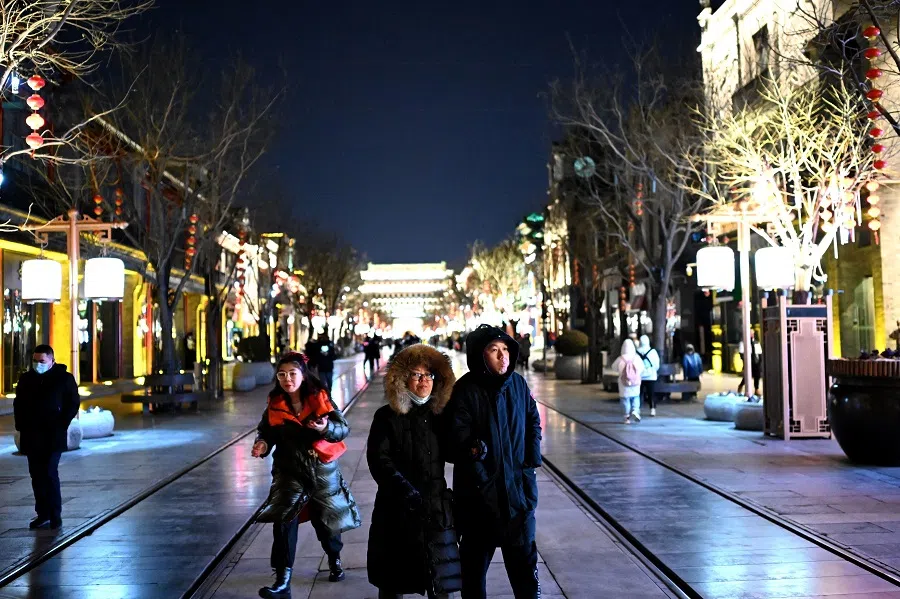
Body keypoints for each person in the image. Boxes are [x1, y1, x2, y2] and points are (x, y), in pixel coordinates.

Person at [251, 352, 361, 599]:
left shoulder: (319, 398)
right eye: (282, 374)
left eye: (292, 373)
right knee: (283, 524)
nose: (287, 379)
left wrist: (325, 428)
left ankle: (334, 559)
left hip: (321, 471)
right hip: (289, 472)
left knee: (327, 524)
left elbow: (342, 428)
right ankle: (282, 580)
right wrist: (263, 444)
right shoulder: (275, 403)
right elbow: (266, 431)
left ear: (303, 374)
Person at [447, 324, 542, 599]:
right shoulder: (464, 390)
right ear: (480, 355)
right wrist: (476, 458)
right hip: (478, 500)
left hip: (517, 496)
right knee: (473, 576)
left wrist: (530, 460)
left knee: (525, 573)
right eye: (494, 350)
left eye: (505, 350)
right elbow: (456, 441)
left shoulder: (519, 385)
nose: (503, 357)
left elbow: (533, 421)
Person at [367, 344, 461, 599]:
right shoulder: (386, 417)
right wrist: (404, 490)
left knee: (441, 582)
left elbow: (454, 451)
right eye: (417, 374)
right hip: (396, 510)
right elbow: (379, 459)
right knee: (393, 581)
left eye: (429, 375)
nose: (424, 381)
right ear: (402, 379)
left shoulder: (440, 415)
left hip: (435, 509)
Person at [13, 344, 79, 530]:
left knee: (49, 473)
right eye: (34, 361)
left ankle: (55, 514)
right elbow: (18, 404)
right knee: (36, 475)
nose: (37, 364)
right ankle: (42, 513)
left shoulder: (64, 379)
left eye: (41, 361)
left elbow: (72, 403)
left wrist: (61, 424)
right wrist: (21, 425)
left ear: (51, 361)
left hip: (53, 435)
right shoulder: (26, 379)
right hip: (32, 435)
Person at [612, 339, 644, 424]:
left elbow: (614, 368)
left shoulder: (620, 359)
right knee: (636, 397)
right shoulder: (637, 358)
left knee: (625, 399)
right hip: (635, 383)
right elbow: (642, 368)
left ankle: (626, 417)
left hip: (623, 383)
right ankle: (635, 410)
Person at [636, 335, 660, 417]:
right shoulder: (653, 352)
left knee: (639, 393)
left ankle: (637, 409)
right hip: (651, 376)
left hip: (639, 376)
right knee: (651, 394)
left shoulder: (636, 352)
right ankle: (652, 409)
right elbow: (657, 364)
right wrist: (653, 371)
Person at [737, 331, 763, 396]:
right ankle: (741, 385)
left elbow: (760, 353)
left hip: (756, 361)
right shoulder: (743, 343)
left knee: (757, 375)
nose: (751, 335)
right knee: (747, 376)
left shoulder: (757, 343)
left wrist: (760, 361)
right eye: (750, 334)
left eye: (752, 334)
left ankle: (756, 389)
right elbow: (741, 354)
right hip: (748, 361)